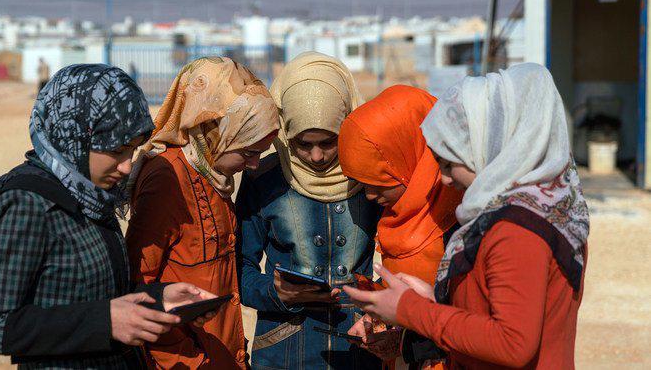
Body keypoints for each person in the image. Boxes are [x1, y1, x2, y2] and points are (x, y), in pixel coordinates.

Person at [0, 64, 218, 369]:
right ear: (76, 135)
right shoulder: (29, 202)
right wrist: (105, 322)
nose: (126, 167)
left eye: (133, 151)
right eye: (117, 150)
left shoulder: (91, 193)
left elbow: (100, 296)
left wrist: (159, 298)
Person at [344, 63, 589, 369]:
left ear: (493, 148)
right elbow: (495, 313)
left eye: (450, 163)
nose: (444, 179)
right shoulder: (540, 206)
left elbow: (512, 343)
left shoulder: (517, 229)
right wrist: (434, 299)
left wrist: (411, 309)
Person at [126, 56, 279, 369]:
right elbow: (138, 286)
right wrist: (192, 360)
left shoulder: (214, 176)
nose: (252, 165)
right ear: (213, 130)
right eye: (248, 152)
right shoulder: (167, 178)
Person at [236, 51, 381, 369]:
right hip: (283, 350)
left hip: (359, 347)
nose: (316, 156)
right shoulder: (263, 179)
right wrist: (278, 293)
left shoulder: (369, 175)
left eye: (329, 141)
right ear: (285, 134)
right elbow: (238, 270)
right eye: (303, 144)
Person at [337, 85, 463, 368]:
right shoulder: (398, 214)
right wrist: (377, 316)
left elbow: (477, 321)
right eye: (363, 184)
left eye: (381, 183)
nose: (370, 196)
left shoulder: (463, 216)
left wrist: (410, 343)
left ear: (413, 160)